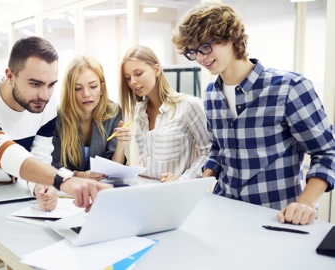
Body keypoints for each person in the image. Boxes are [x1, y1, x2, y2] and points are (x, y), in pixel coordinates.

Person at [171, 2, 335, 225]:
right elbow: (219, 151)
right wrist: (195, 187)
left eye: (205, 46)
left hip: (276, 219)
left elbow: (327, 152)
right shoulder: (210, 94)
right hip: (223, 214)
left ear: (231, 37)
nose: (200, 58)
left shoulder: (289, 87)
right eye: (193, 52)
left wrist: (305, 204)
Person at [0, 36, 112, 246]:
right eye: (35, 84)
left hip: (15, 197)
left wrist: (41, 187)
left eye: (51, 85)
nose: (44, 94)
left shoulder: (45, 107)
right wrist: (62, 180)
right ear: (10, 75)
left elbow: (39, 156)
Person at [120, 45, 210, 182]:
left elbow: (208, 152)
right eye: (128, 77)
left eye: (138, 74)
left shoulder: (188, 106)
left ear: (156, 70)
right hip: (147, 191)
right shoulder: (140, 111)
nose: (132, 82)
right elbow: (147, 157)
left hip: (179, 195)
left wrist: (182, 180)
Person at [52, 55, 132, 180]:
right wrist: (81, 175)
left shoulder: (114, 112)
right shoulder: (57, 118)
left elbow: (114, 167)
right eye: (78, 88)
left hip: (103, 188)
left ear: (102, 88)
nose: (86, 94)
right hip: (66, 190)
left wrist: (121, 145)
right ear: (70, 92)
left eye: (93, 86)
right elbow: (54, 166)